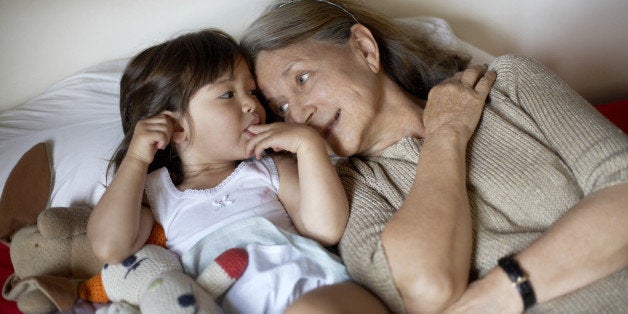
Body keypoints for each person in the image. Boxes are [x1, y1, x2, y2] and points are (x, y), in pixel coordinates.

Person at [240, 0, 628, 313]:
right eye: (282, 108)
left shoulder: (508, 84)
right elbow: (427, 291)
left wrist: (503, 292)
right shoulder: (346, 194)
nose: (300, 114)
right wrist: (446, 133)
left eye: (302, 79)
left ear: (364, 48)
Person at [86, 29, 383, 313]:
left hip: (318, 291)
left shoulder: (269, 169)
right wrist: (137, 158)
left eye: (252, 91)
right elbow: (111, 247)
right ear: (175, 125)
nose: (251, 105)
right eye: (228, 94)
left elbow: (325, 230)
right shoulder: (155, 193)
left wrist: (309, 147)